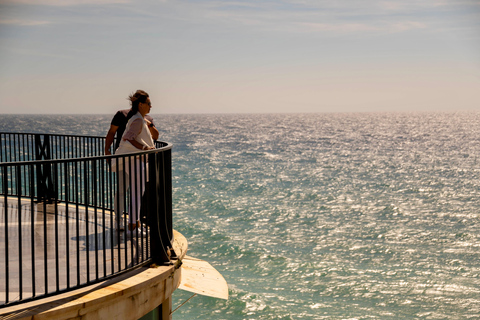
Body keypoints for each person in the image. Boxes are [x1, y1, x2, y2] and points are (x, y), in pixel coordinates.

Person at [111, 90, 156, 236]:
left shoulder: (138, 119)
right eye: (148, 103)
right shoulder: (137, 120)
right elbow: (128, 137)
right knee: (137, 193)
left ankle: (135, 224)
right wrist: (144, 147)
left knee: (138, 192)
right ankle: (133, 227)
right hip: (136, 160)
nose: (151, 106)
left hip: (135, 160)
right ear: (141, 104)